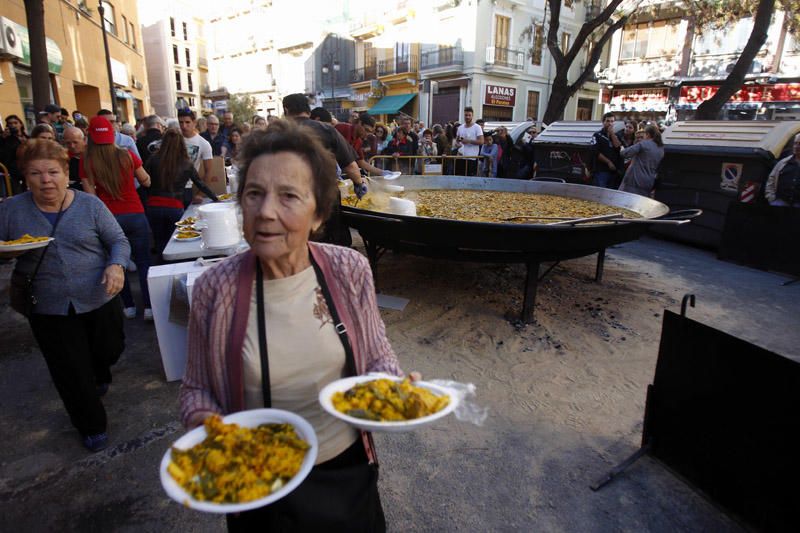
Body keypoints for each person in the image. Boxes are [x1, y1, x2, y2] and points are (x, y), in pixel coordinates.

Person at [180, 120, 408, 531]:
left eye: (288, 196)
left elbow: (376, 354)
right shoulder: (214, 287)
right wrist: (208, 428)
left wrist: (394, 389)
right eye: (254, 194)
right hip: (259, 482)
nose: (266, 211)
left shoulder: (348, 267)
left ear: (319, 213)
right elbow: (195, 388)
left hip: (344, 472)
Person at [0, 139, 129, 452]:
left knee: (110, 348)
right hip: (48, 305)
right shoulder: (11, 210)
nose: (46, 180)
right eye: (36, 174)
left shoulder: (89, 205)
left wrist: (116, 266)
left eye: (53, 172)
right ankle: (90, 424)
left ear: (65, 172)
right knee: (70, 369)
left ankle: (100, 372)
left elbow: (118, 240)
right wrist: (6, 254)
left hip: (99, 295)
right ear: (24, 177)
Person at [80, 116, 153, 320]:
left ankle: (128, 306)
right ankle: (149, 307)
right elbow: (146, 181)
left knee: (115, 263)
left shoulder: (86, 162)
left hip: (109, 220)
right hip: (136, 213)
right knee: (144, 262)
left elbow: (90, 198)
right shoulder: (127, 155)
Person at [282, 93, 367, 246]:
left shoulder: (277, 133)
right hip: (325, 196)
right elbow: (350, 165)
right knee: (332, 244)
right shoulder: (326, 130)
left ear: (286, 110)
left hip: (290, 198)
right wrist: (359, 183)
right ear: (308, 110)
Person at [144, 129, 219, 256]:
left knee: (159, 242)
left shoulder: (153, 159)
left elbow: (145, 181)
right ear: (181, 144)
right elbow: (200, 183)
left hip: (154, 205)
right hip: (175, 205)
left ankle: (159, 266)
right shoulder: (186, 163)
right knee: (176, 243)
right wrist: (216, 199)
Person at [618, 124, 665, 197]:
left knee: (625, 200)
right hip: (649, 180)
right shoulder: (661, 148)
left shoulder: (644, 144)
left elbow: (625, 153)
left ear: (648, 134)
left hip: (635, 179)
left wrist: (621, 149)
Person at [765, 133, 800, 207]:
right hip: (780, 203)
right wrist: (771, 198)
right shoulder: (783, 162)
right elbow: (771, 179)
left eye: (799, 144)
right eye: (795, 143)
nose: (797, 146)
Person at [178, 109, 214, 181]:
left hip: (188, 186)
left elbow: (208, 172)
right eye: (181, 122)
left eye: (187, 122)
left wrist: (200, 192)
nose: (184, 126)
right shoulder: (173, 139)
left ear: (194, 123)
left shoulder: (203, 144)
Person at [592, 112, 622, 188]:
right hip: (601, 170)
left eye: (612, 121)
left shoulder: (617, 135)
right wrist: (608, 162)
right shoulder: (597, 135)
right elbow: (596, 152)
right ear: (603, 122)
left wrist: (612, 134)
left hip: (614, 171)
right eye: (608, 121)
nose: (610, 123)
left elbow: (618, 147)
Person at [1, 114, 28, 193]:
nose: (13, 125)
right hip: (14, 172)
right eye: (10, 123)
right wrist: (3, 139)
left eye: (15, 123)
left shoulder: (27, 137)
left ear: (20, 124)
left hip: (28, 167)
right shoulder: (6, 139)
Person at [455, 107, 483, 176]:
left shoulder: (477, 127)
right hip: (460, 157)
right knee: (459, 177)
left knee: (470, 179)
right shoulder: (460, 127)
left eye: (469, 115)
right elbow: (457, 140)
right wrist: (458, 144)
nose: (467, 117)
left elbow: (481, 141)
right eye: (466, 115)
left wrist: (469, 141)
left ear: (472, 116)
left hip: (472, 158)